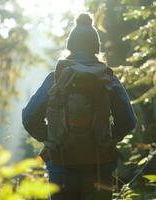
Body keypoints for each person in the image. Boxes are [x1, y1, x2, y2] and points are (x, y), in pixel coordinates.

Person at [22, 13, 137, 200]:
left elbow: (29, 117)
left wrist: (51, 139)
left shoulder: (56, 78)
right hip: (99, 165)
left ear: (70, 47)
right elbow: (128, 121)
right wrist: (108, 140)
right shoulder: (107, 78)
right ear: (95, 48)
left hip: (61, 164)